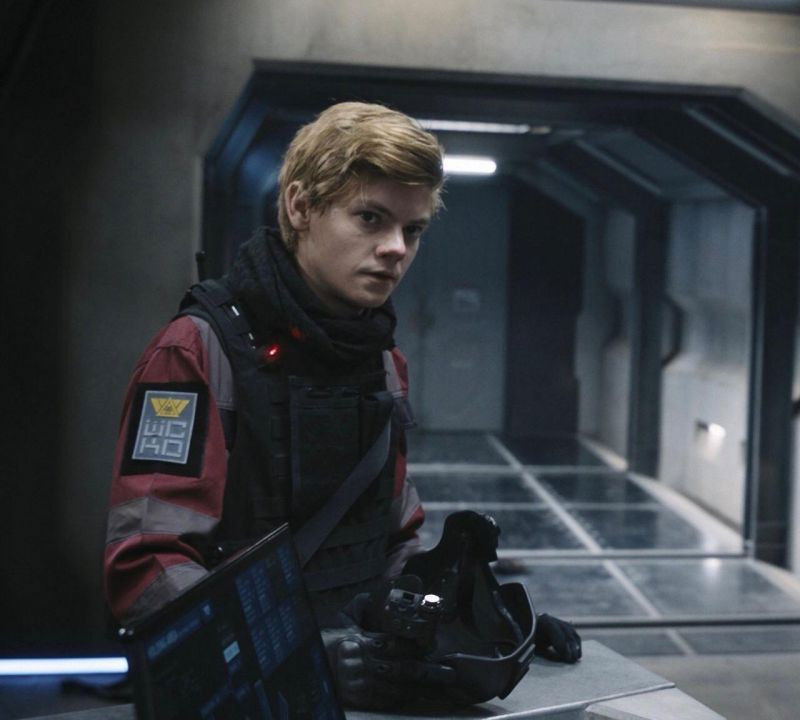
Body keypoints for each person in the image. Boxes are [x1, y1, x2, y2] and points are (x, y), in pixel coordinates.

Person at [104, 101, 578, 709]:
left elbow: (390, 542)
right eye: (370, 218)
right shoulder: (198, 352)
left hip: (351, 680)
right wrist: (292, 659)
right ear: (300, 207)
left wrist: (476, 621)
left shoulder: (379, 358)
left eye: (412, 230)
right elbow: (148, 564)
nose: (395, 248)